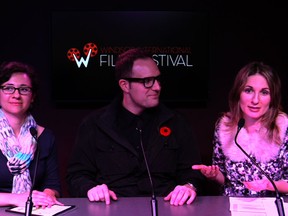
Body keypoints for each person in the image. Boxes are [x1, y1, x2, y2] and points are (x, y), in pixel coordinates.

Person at [66, 48, 204, 206]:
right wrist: (90, 189)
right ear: (125, 85)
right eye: (147, 81)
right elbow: (76, 176)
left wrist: (189, 186)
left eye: (158, 79)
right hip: (112, 208)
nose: (157, 87)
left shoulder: (176, 122)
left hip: (167, 206)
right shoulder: (94, 124)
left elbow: (193, 172)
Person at [193, 61, 288, 197]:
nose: (255, 100)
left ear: (272, 98)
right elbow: (225, 179)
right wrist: (214, 175)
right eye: (248, 90)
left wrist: (269, 184)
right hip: (233, 206)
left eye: (264, 92)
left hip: (270, 207)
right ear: (238, 93)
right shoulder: (224, 127)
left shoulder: (283, 128)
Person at [0, 61, 63, 207]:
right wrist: (16, 199)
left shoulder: (44, 136)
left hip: (34, 210)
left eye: (24, 89)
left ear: (33, 96)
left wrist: (47, 195)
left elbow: (53, 184)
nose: (16, 95)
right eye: (8, 88)